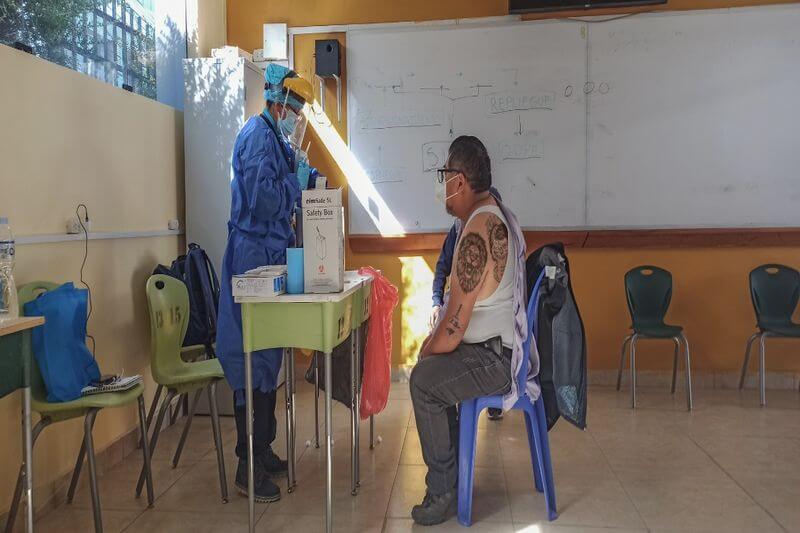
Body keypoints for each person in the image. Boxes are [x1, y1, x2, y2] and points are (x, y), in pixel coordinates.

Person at [410, 136, 529, 526]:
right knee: (434, 372)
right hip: (497, 349)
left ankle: (443, 489)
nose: (442, 184)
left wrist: (426, 350)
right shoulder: (492, 214)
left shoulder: (478, 231)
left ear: (459, 181)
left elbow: (453, 328)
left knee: (424, 380)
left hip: (494, 358)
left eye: (444, 174)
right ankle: (455, 475)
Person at [216, 64, 316, 503]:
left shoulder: (274, 137)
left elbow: (278, 189)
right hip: (252, 255)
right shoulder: (257, 135)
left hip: (269, 252)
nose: (297, 118)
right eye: (296, 109)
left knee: (267, 358)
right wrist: (294, 187)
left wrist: (297, 175)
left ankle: (263, 448)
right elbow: (263, 198)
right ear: (280, 102)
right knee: (250, 358)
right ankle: (246, 464)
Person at [430, 186, 505, 422]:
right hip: (461, 307)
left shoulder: (500, 237)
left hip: (487, 319)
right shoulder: (458, 230)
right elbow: (442, 267)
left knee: (453, 338)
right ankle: (450, 403)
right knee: (441, 336)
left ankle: (491, 400)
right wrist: (435, 302)